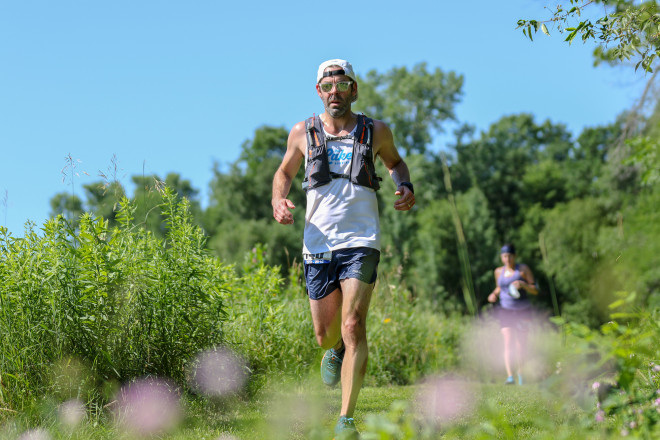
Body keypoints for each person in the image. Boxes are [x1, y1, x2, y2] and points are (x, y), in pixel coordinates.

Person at [272, 59, 414, 438]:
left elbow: (396, 163)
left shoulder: (376, 130)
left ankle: (346, 418)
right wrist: (278, 200)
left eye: (342, 85)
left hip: (362, 241)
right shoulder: (303, 132)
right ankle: (333, 350)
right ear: (319, 91)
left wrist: (405, 185)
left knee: (353, 324)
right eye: (327, 86)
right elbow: (284, 172)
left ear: (354, 89)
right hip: (317, 244)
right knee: (326, 334)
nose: (335, 92)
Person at [488, 243, 538, 385]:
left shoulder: (523, 270)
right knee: (507, 342)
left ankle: (521, 373)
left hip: (523, 311)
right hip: (505, 310)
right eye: (505, 256)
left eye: (510, 256)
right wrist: (493, 294)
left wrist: (524, 285)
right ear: (501, 257)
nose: (507, 259)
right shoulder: (498, 272)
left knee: (521, 344)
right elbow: (499, 287)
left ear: (515, 256)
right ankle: (510, 377)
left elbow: (535, 290)